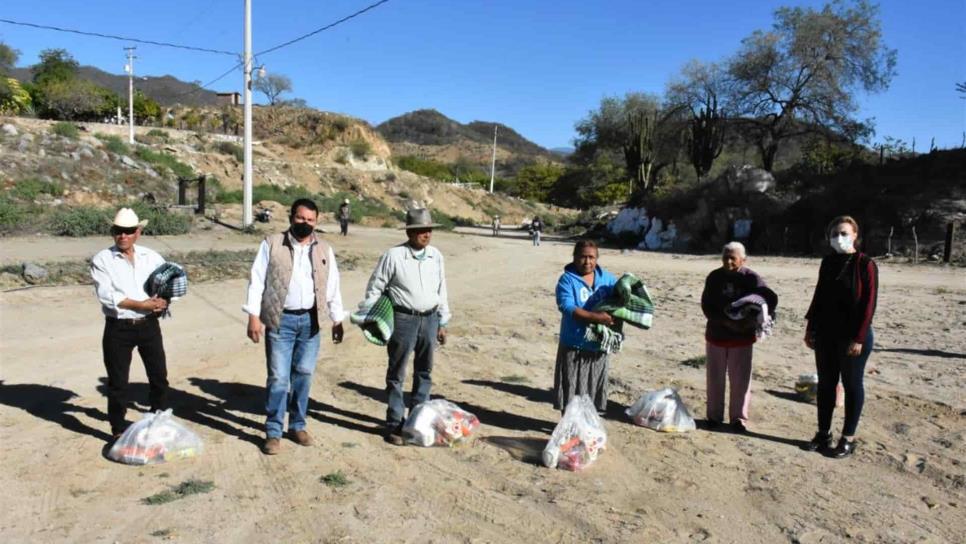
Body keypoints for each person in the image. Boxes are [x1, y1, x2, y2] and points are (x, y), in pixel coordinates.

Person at [244, 198, 345, 455]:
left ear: (316, 221)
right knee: (278, 378)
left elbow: (332, 285)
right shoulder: (272, 243)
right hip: (281, 320)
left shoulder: (325, 249)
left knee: (304, 374)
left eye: (310, 219)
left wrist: (337, 319)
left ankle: (297, 425)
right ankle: (273, 432)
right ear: (291, 217)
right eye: (301, 218)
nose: (305, 223)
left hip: (310, 321)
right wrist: (253, 315)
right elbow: (257, 280)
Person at [360, 208, 451, 445]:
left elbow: (442, 290)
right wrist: (375, 318)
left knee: (424, 372)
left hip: (430, 319)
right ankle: (395, 423)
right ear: (410, 232)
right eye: (421, 230)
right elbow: (375, 287)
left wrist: (443, 321)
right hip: (403, 320)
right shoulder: (394, 256)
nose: (426, 234)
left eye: (429, 230)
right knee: (397, 374)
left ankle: (418, 424)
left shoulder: (436, 256)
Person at [90, 208, 170, 439]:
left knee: (158, 378)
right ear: (112, 232)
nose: (122, 236)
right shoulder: (102, 260)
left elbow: (168, 280)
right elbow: (107, 296)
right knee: (118, 383)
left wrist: (165, 300)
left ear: (138, 232)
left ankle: (158, 420)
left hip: (149, 325)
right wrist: (142, 305)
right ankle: (118, 429)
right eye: (118, 231)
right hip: (119, 328)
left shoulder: (151, 257)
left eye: (127, 231)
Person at [803, 216, 878, 458]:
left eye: (844, 233)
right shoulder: (828, 263)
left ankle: (848, 439)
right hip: (825, 333)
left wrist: (859, 337)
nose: (839, 238)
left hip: (852, 336)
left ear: (855, 235)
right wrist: (810, 327)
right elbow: (819, 296)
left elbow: (869, 304)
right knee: (826, 385)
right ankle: (823, 433)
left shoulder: (865, 264)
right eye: (834, 234)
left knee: (852, 384)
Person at [700, 242, 774, 433]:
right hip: (717, 334)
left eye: (733, 257)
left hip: (742, 337)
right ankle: (714, 417)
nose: (728, 261)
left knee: (741, 380)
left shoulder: (752, 279)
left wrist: (751, 320)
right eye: (725, 257)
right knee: (714, 378)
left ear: (743, 260)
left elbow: (769, 299)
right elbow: (707, 305)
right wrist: (725, 321)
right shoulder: (714, 277)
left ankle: (738, 418)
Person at [554, 240, 618, 414]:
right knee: (571, 391)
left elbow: (620, 302)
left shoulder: (609, 280)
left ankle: (588, 428)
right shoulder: (566, 280)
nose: (587, 261)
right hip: (574, 345)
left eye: (591, 257)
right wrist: (595, 317)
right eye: (582, 257)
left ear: (597, 258)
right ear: (574, 257)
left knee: (592, 392)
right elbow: (566, 306)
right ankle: (569, 428)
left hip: (598, 347)